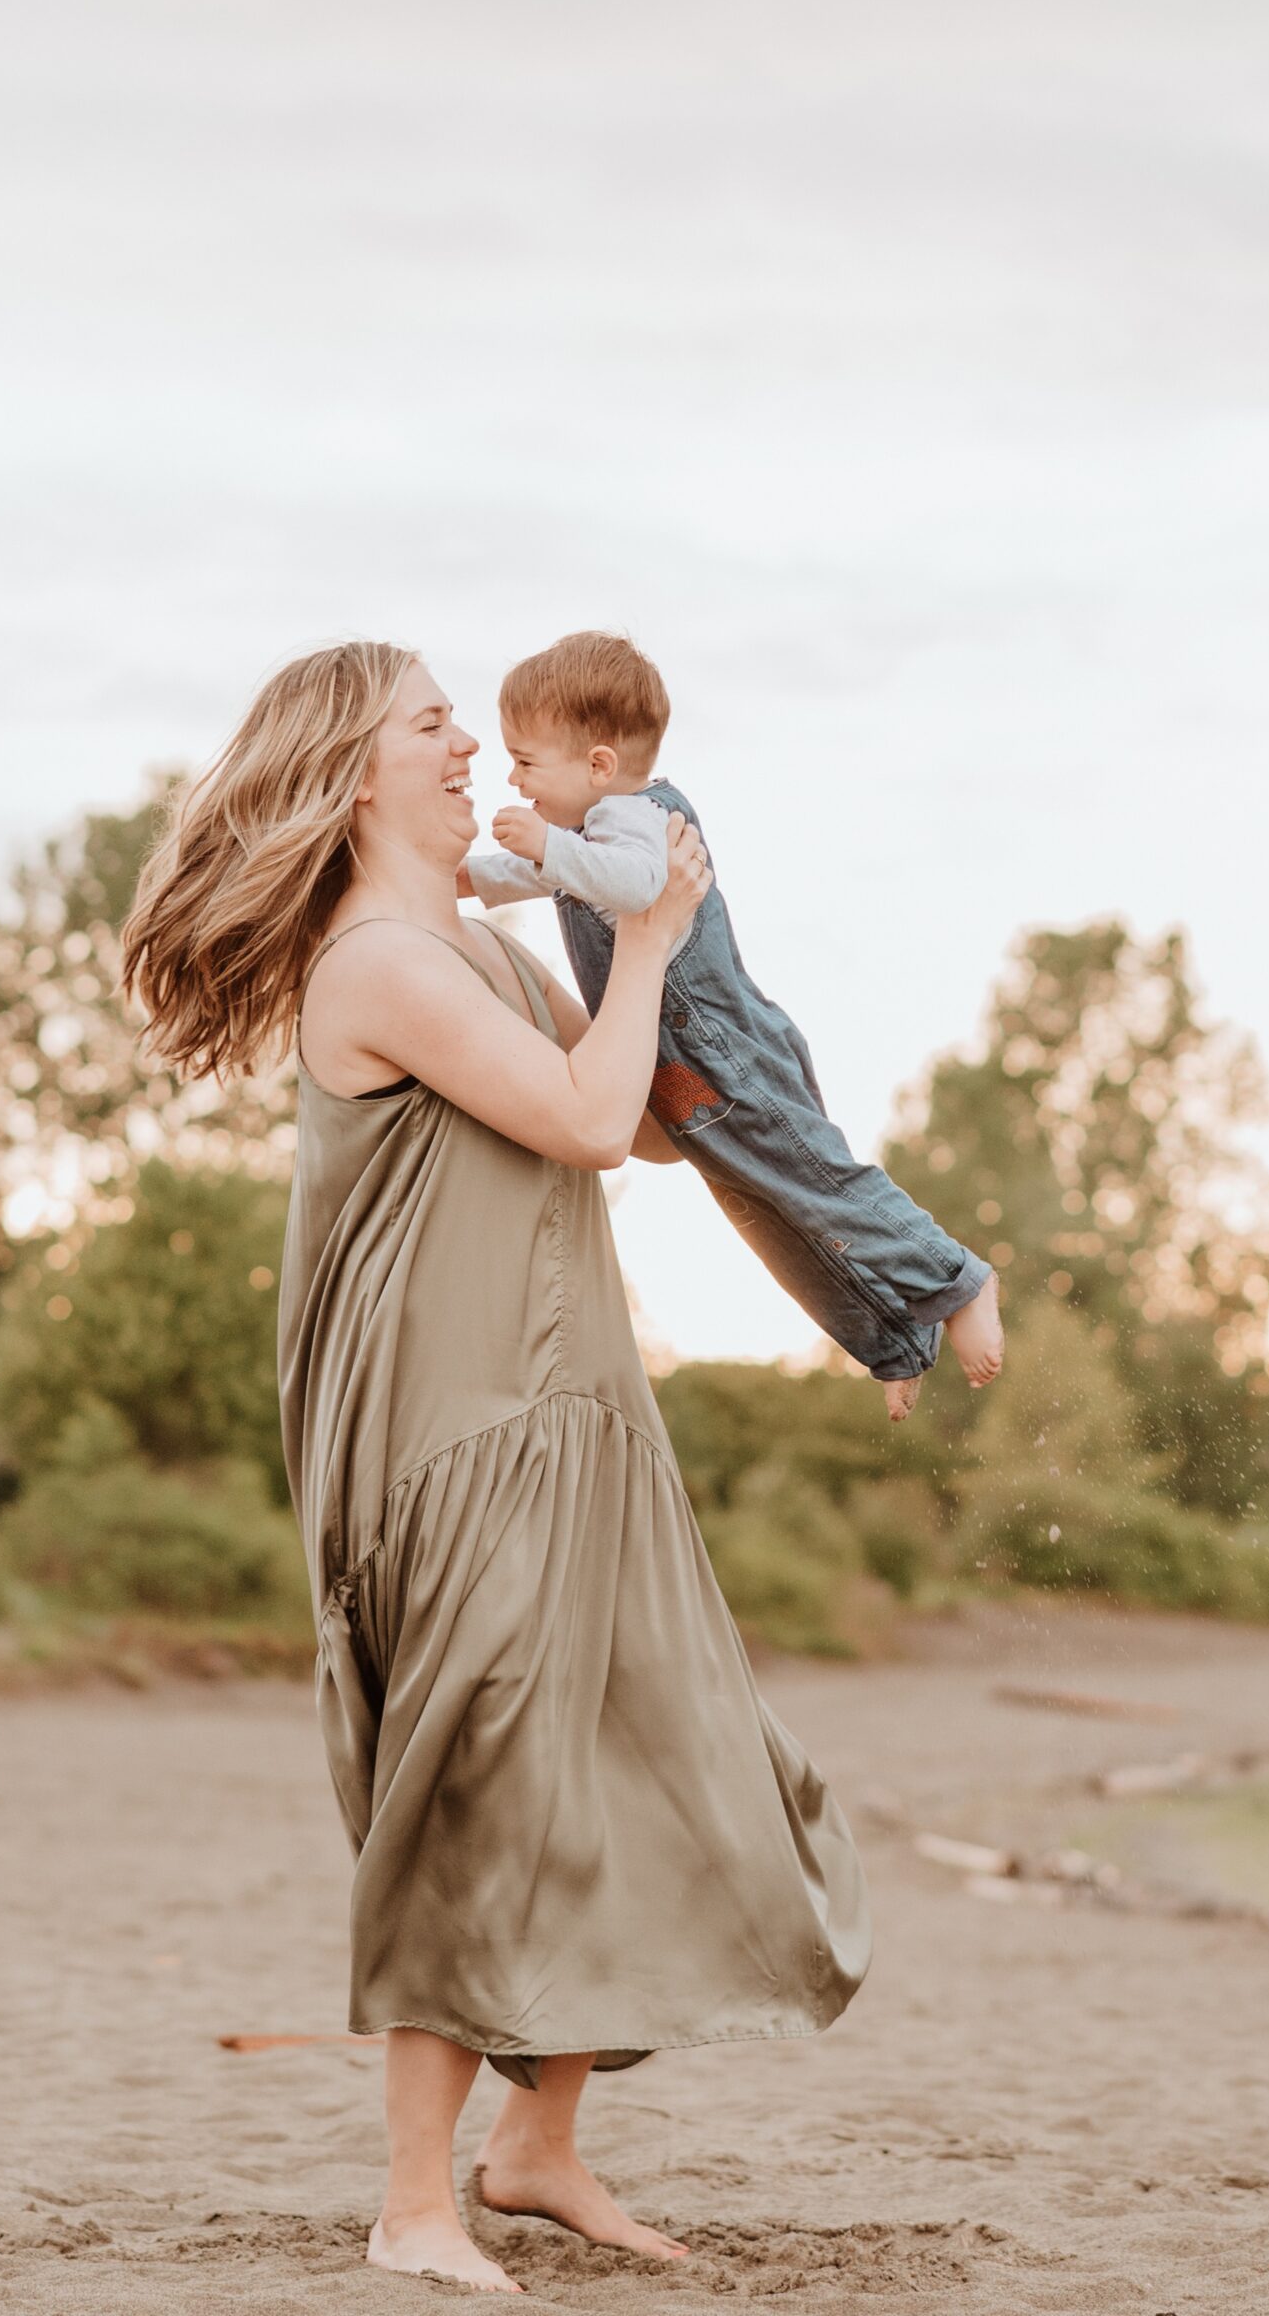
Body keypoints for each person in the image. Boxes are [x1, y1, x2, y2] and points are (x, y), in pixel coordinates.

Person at [122, 641, 870, 2295]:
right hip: (456, 1435)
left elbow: (652, 1114)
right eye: (431, 721)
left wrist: (642, 941)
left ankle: (534, 2149)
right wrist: (650, 938)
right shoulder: (379, 961)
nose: (470, 738)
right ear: (352, 770)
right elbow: (591, 1124)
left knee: (647, 1762)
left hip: (573, 1411)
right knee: (475, 1792)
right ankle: (412, 2206)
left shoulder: (469, 943)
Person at [463, 630, 1005, 1421]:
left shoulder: (639, 821)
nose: (511, 777)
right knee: (769, 1216)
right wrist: (452, 876)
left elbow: (639, 883)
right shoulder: (583, 839)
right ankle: (891, 1341)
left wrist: (544, 842)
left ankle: (957, 1277)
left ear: (599, 766)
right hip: (679, 1074)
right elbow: (528, 874)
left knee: (818, 1183)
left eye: (525, 760)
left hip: (728, 1050)